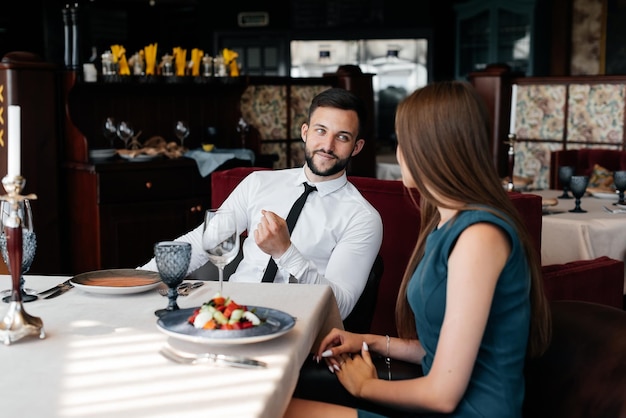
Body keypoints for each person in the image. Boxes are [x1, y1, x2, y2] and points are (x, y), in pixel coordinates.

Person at [284, 81, 552, 417]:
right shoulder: (446, 222)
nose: (398, 153)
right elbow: (441, 347)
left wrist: (364, 385)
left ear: (432, 147)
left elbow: (443, 394)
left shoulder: (479, 236)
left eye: (402, 140)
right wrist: (370, 340)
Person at [140, 87, 383, 320]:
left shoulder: (362, 217)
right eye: (321, 131)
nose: (328, 146)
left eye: (342, 137)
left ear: (357, 147)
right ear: (305, 132)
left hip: (298, 324)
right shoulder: (258, 183)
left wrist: (285, 252)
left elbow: (339, 307)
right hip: (229, 313)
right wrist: (140, 279)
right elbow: (204, 241)